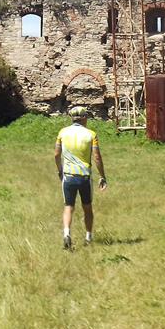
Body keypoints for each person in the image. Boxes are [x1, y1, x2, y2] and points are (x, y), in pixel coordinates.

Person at [54, 106, 107, 250]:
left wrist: (60, 170)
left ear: (71, 118)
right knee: (87, 207)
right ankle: (88, 237)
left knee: (68, 207)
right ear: (85, 118)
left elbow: (56, 154)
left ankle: (66, 233)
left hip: (68, 176)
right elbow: (97, 157)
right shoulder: (91, 134)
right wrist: (102, 176)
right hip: (84, 177)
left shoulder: (62, 132)